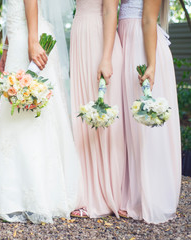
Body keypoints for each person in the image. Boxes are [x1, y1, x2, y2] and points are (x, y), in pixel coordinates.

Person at [0, 0, 81, 224]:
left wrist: (32, 41)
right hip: (18, 39)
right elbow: (11, 10)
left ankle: (36, 193)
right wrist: (6, 47)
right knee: (17, 113)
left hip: (29, 38)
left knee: (31, 115)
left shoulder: (31, 38)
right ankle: (15, 191)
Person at [118, 0, 181, 224]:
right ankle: (130, 192)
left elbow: (148, 19)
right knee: (129, 122)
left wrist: (151, 64)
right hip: (126, 38)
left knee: (144, 124)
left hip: (142, 45)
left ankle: (148, 195)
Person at [70, 0, 126, 218]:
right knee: (83, 118)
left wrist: (106, 58)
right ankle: (86, 193)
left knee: (105, 120)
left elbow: (111, 9)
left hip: (100, 40)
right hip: (80, 35)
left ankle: (110, 194)